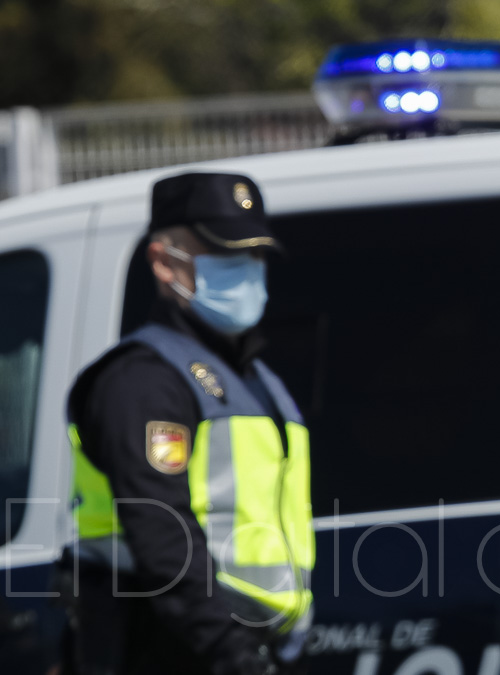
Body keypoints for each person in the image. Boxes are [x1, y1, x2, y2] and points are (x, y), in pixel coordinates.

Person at [63, 172, 314, 675]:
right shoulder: (144, 382)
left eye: (255, 255)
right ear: (163, 261)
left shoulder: (253, 377)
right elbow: (162, 536)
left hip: (243, 647)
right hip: (171, 648)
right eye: (226, 255)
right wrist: (231, 654)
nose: (248, 271)